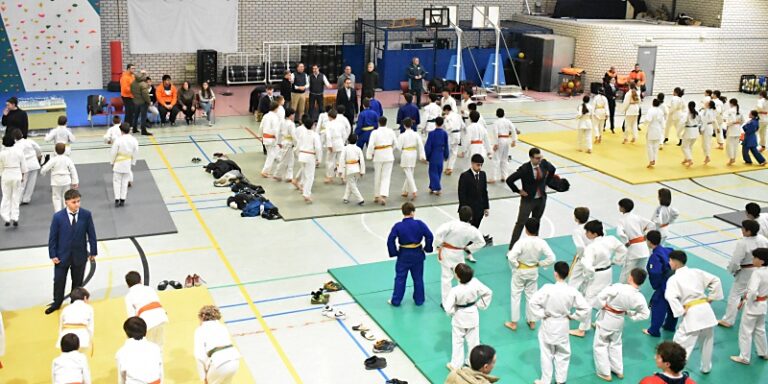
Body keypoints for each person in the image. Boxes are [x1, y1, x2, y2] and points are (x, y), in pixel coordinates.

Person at [529, 261, 590, 384]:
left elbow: (532, 303)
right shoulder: (572, 291)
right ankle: (560, 380)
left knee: (546, 354)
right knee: (563, 353)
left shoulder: (547, 288)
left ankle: (545, 380)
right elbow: (586, 308)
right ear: (567, 274)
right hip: (563, 323)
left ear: (555, 274)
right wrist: (574, 316)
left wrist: (542, 314)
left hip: (549, 322)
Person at [665, 250, 723, 374]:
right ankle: (706, 367)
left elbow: (670, 297)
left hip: (692, 313)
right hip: (706, 310)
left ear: (674, 263)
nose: (669, 263)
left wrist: (680, 311)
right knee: (707, 341)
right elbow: (716, 280)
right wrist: (711, 297)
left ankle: (674, 371)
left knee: (680, 344)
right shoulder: (697, 272)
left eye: (669, 260)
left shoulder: (674, 279)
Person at [570, 220, 627, 337]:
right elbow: (623, 250)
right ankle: (601, 322)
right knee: (605, 298)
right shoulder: (610, 239)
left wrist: (588, 277)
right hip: (608, 271)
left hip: (597, 274)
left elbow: (588, 266)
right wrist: (616, 261)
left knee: (588, 301)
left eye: (588, 232)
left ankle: (582, 329)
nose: (586, 234)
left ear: (594, 234)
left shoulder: (591, 247)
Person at [593, 268, 650, 381]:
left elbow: (600, 296)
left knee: (600, 344)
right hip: (619, 320)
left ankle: (605, 373)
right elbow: (645, 314)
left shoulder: (618, 287)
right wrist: (632, 316)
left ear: (630, 278)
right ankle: (618, 370)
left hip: (607, 318)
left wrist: (602, 305)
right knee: (616, 344)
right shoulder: (639, 297)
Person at [46, 189, 97, 314]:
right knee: (59, 281)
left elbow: (91, 234)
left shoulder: (86, 214)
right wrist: (53, 254)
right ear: (66, 202)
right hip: (62, 256)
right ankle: (57, 303)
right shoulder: (58, 217)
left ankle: (76, 303)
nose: (77, 204)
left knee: (78, 282)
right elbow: (53, 237)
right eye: (74, 202)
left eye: (79, 201)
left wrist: (93, 251)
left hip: (80, 255)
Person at [505, 218, 556, 331]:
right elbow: (552, 258)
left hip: (520, 270)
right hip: (533, 270)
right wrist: (540, 263)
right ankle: (532, 321)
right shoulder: (542, 242)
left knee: (516, 295)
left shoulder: (521, 242)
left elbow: (511, 256)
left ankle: (514, 323)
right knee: (531, 296)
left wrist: (516, 265)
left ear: (526, 229)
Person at [719, 219, 768, 328]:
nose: (741, 230)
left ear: (748, 231)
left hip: (746, 271)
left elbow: (735, 261)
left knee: (735, 294)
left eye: (743, 228)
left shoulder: (742, 243)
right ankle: (752, 315)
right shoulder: (763, 239)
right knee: (754, 291)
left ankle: (728, 320)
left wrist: (732, 270)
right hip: (762, 269)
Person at [444, 263, 493, 371]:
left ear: (457, 276)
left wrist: (453, 312)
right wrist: (480, 304)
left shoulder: (455, 290)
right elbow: (488, 292)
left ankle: (455, 365)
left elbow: (447, 308)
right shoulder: (475, 282)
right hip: (473, 314)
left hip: (459, 316)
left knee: (457, 341)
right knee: (474, 342)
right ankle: (472, 364)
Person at [506, 148, 556, 250]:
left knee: (536, 222)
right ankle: (512, 248)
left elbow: (553, 170)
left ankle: (534, 246)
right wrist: (518, 191)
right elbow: (509, 180)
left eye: (540, 157)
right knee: (520, 223)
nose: (539, 160)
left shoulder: (544, 163)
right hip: (528, 200)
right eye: (537, 158)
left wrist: (547, 182)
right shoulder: (524, 169)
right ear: (531, 158)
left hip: (541, 199)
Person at [435, 206, 485, 302]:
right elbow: (481, 242)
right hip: (459, 254)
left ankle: (446, 303)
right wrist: (469, 249)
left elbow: (438, 233)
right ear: (471, 218)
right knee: (461, 277)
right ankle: (461, 299)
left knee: (446, 278)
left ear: (459, 215)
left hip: (447, 252)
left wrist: (438, 244)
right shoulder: (472, 230)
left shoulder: (451, 225)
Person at [387, 202, 434, 306]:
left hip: (403, 254)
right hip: (417, 253)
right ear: (413, 212)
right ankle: (419, 300)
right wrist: (428, 248)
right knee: (418, 278)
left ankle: (396, 300)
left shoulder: (398, 226)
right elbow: (429, 236)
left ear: (403, 212)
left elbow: (390, 240)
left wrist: (394, 252)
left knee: (400, 278)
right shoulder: (419, 224)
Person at [730, 247, 768, 365]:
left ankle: (744, 357)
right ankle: (764, 352)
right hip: (763, 305)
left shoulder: (757, 273)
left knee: (745, 332)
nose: (753, 259)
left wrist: (748, 300)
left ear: (761, 261)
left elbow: (752, 291)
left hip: (752, 307)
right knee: (760, 330)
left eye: (755, 257)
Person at [194, 305, 241, 384]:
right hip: (234, 361)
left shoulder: (200, 330)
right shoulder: (222, 327)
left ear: (202, 316)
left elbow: (199, 356)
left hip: (219, 364)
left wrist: (203, 377)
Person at [644, 230, 677, 337]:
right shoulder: (668, 250)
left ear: (649, 242)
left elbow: (655, 272)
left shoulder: (655, 257)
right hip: (676, 281)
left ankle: (654, 330)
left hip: (665, 284)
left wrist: (657, 286)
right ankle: (670, 325)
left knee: (658, 305)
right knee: (673, 304)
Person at [124, 271, 169, 348]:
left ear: (128, 285)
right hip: (161, 317)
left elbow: (131, 317)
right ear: (140, 280)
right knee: (159, 346)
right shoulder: (150, 289)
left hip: (147, 322)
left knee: (147, 347)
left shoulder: (129, 296)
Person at [116, 317, 163, 384]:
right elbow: (161, 374)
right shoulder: (155, 348)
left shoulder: (121, 353)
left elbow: (121, 380)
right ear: (145, 331)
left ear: (126, 333)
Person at [616, 198, 652, 283]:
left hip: (633, 250)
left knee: (626, 272)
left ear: (623, 208)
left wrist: (626, 242)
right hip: (644, 248)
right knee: (640, 273)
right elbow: (651, 225)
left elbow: (620, 233)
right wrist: (645, 235)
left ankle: (621, 289)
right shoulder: (637, 217)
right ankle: (636, 289)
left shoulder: (622, 220)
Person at [458, 155, 490, 242]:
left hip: (479, 208)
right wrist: (464, 209)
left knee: (475, 226)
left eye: (481, 165)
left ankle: (471, 240)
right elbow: (461, 193)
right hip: (468, 208)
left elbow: (484, 191)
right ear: (472, 163)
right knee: (466, 227)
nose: (479, 167)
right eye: (477, 165)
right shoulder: (465, 176)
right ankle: (464, 241)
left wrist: (486, 207)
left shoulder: (483, 175)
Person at [366, 116, 398, 205]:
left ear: (378, 123)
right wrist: (390, 150)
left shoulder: (374, 133)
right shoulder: (391, 131)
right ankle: (383, 195)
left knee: (377, 175)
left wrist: (369, 155)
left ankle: (377, 195)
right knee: (386, 176)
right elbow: (396, 144)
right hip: (388, 155)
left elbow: (371, 145)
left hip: (378, 155)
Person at [40, 144, 79, 212]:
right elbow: (73, 170)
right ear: (64, 150)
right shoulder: (67, 159)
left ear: (55, 150)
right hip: (66, 180)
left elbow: (45, 168)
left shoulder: (53, 159)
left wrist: (43, 173)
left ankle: (58, 213)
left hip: (56, 181)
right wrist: (75, 182)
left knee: (56, 197)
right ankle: (67, 212)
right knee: (66, 197)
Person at [0, 131, 27, 227]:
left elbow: (1, 167)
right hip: (17, 174)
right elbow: (23, 165)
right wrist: (23, 176)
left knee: (6, 196)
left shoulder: (2, 154)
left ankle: (6, 217)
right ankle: (15, 217)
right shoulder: (19, 152)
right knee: (16, 196)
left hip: (6, 174)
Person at [57, 287, 94, 355]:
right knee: (79, 358)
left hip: (66, 336)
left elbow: (60, 326)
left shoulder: (66, 309)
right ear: (85, 298)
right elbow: (91, 327)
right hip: (82, 337)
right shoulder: (89, 308)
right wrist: (90, 338)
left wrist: (61, 337)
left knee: (66, 358)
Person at [110, 123, 139, 207]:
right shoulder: (134, 140)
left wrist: (112, 162)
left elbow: (113, 152)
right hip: (127, 163)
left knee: (117, 181)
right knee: (125, 181)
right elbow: (136, 152)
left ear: (121, 130)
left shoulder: (118, 140)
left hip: (118, 162)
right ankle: (123, 199)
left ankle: (117, 199)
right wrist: (133, 162)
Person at [296, 114, 323, 203]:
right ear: (312, 125)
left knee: (305, 174)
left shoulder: (302, 134)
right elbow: (318, 148)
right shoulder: (315, 135)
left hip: (302, 155)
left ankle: (303, 188)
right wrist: (319, 159)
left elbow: (298, 145)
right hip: (310, 156)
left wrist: (298, 154)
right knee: (310, 176)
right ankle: (306, 194)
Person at [397, 118, 425, 200]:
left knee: (408, 172)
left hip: (406, 153)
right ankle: (405, 190)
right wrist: (422, 156)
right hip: (413, 153)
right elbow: (420, 145)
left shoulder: (402, 136)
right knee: (410, 172)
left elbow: (399, 147)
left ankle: (414, 190)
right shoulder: (416, 134)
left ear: (404, 125)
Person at [568, 207, 592, 294]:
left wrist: (581, 257)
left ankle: (570, 297)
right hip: (596, 256)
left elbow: (580, 247)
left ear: (576, 218)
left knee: (574, 278)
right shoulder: (594, 226)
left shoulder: (577, 231)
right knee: (588, 278)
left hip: (584, 257)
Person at [14, 129, 41, 205]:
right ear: (22, 135)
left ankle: (18, 200)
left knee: (22, 183)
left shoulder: (16, 146)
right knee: (31, 183)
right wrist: (38, 155)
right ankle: (26, 198)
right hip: (34, 163)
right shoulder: (29, 141)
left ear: (14, 138)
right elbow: (38, 148)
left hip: (25, 165)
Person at [338, 133, 365, 205]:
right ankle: (346, 197)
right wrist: (362, 171)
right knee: (351, 183)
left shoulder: (345, 148)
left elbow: (341, 159)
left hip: (349, 169)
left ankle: (360, 199)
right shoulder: (358, 149)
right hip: (357, 168)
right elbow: (362, 161)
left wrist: (340, 170)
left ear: (348, 140)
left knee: (352, 185)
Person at [425, 116, 450, 195]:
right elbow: (446, 145)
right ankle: (432, 187)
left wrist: (427, 156)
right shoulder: (445, 133)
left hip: (433, 154)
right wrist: (446, 155)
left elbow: (428, 146)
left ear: (435, 123)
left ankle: (437, 187)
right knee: (439, 171)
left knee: (432, 172)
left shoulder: (431, 134)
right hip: (440, 154)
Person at [492, 108, 517, 183]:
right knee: (504, 159)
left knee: (496, 159)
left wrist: (495, 143)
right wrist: (514, 140)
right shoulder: (508, 121)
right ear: (504, 114)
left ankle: (493, 177)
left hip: (500, 140)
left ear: (496, 114)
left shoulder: (496, 122)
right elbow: (513, 130)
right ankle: (504, 176)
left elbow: (495, 133)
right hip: (507, 140)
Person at [273, 108, 296, 183]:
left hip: (284, 141)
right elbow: (294, 136)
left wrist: (279, 142)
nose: (294, 116)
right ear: (291, 115)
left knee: (291, 160)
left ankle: (289, 176)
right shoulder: (291, 124)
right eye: (293, 114)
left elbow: (278, 132)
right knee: (284, 160)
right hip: (288, 143)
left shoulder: (282, 122)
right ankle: (277, 174)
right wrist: (297, 144)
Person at [260, 102, 282, 178]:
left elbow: (261, 127)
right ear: (276, 108)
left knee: (272, 154)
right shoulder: (275, 117)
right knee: (271, 155)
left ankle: (267, 171)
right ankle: (264, 171)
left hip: (265, 138)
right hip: (271, 139)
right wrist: (277, 141)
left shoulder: (265, 116)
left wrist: (261, 137)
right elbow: (276, 130)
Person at [643, 98, 666, 167]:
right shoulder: (661, 111)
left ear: (652, 103)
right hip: (658, 129)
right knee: (656, 146)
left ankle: (651, 160)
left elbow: (648, 119)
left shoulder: (651, 110)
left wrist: (644, 123)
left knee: (650, 146)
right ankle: (654, 159)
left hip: (652, 129)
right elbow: (663, 122)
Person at [323, 109, 344, 184]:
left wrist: (329, 145)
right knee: (340, 161)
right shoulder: (340, 123)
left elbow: (328, 136)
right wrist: (343, 142)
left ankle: (329, 177)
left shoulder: (328, 124)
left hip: (333, 143)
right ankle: (343, 176)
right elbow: (344, 134)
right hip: (340, 142)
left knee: (330, 161)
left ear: (329, 116)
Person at [443, 104, 465, 175]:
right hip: (457, 135)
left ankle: (447, 168)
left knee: (448, 151)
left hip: (450, 135)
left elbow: (448, 127)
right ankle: (450, 168)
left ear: (446, 110)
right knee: (454, 152)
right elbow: (463, 126)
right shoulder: (458, 116)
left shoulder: (447, 117)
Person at [724, 98, 744, 165]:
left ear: (731, 103)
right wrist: (738, 123)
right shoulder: (740, 110)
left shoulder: (730, 111)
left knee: (730, 145)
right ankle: (733, 158)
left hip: (732, 129)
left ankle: (731, 158)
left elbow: (729, 121)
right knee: (735, 145)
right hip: (738, 129)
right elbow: (743, 120)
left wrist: (728, 123)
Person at [680, 102, 701, 167]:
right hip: (696, 131)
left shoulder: (687, 114)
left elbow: (682, 122)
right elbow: (699, 121)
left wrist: (679, 131)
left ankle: (689, 159)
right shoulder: (697, 113)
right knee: (689, 146)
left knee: (684, 147)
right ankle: (686, 158)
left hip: (689, 131)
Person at [120, 63, 136, 132]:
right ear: (128, 69)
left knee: (132, 111)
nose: (134, 70)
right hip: (126, 96)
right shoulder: (124, 77)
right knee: (128, 112)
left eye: (134, 68)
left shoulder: (132, 76)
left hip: (132, 96)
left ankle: (131, 126)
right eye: (132, 68)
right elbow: (125, 89)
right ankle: (125, 127)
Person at [699, 100, 717, 165]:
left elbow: (705, 121)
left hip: (707, 127)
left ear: (709, 105)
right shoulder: (709, 111)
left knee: (706, 143)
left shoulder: (708, 111)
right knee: (705, 143)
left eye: (707, 102)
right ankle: (707, 156)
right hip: (708, 127)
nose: (705, 103)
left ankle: (707, 156)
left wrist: (702, 129)